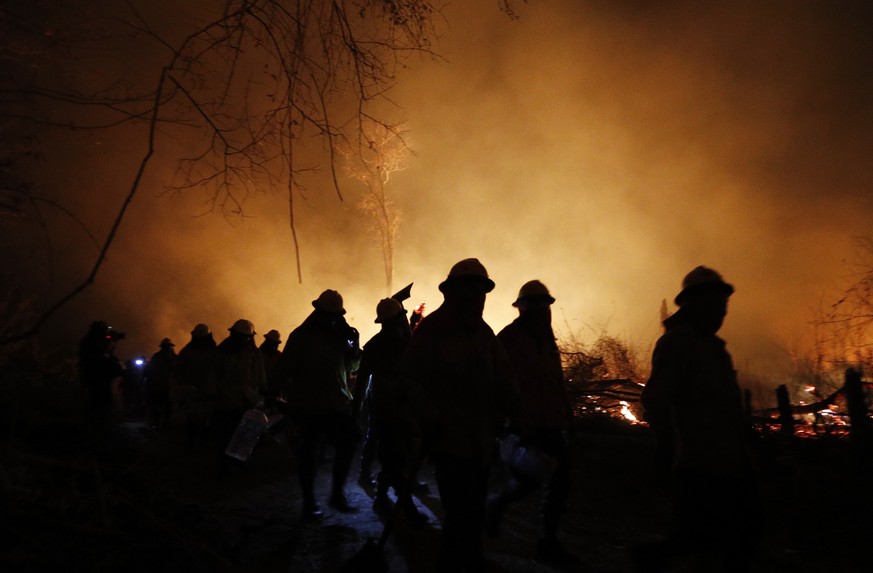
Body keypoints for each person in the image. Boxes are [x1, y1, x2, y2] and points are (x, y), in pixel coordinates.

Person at [633, 266, 759, 572]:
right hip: (696, 463)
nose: (721, 312)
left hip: (729, 462)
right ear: (692, 304)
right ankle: (648, 559)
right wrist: (668, 449)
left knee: (726, 539)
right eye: (715, 305)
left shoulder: (715, 348)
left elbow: (727, 407)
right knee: (704, 542)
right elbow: (656, 400)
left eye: (723, 305)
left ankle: (651, 558)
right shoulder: (678, 344)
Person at [399, 258, 521, 572]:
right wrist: (430, 418)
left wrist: (516, 416)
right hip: (449, 439)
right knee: (458, 509)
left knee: (474, 507)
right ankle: (454, 563)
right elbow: (410, 380)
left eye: (481, 292)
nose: (478, 298)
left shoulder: (483, 333)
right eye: (472, 290)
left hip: (480, 439)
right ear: (455, 292)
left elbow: (503, 379)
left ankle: (470, 559)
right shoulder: (433, 330)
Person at [487, 280, 578, 569]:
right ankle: (496, 504)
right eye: (535, 306)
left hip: (551, 422)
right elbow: (497, 383)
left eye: (545, 305)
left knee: (559, 481)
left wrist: (567, 416)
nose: (542, 311)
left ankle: (547, 541)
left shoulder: (547, 340)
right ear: (522, 308)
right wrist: (507, 421)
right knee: (531, 479)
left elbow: (556, 381)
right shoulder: (509, 339)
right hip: (522, 424)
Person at [274, 289, 362, 519]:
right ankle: (310, 503)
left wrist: (354, 346)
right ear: (319, 312)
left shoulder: (342, 335)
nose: (333, 319)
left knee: (350, 439)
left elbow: (353, 366)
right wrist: (275, 395)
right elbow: (285, 367)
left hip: (335, 404)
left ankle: (335, 495)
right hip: (307, 406)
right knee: (308, 455)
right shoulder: (301, 336)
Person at [352, 296, 426, 524]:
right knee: (394, 460)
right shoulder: (397, 344)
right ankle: (406, 506)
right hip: (387, 412)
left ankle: (382, 497)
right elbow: (363, 378)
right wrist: (356, 409)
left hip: (398, 410)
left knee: (396, 459)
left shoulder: (399, 343)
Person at [214, 319, 267, 472]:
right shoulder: (222, 352)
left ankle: (241, 462)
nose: (244, 340)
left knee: (247, 435)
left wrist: (262, 390)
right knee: (225, 435)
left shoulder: (254, 353)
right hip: (226, 401)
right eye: (241, 336)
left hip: (248, 401)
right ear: (233, 334)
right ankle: (223, 465)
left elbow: (260, 373)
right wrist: (213, 394)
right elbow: (214, 375)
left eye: (247, 337)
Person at [176, 323, 219, 449]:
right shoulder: (215, 352)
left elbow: (178, 372)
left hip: (196, 393)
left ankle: (193, 445)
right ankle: (201, 445)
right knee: (203, 422)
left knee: (194, 421)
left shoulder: (186, 352)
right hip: (203, 393)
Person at [77, 321, 125, 433]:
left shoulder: (89, 340)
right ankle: (98, 428)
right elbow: (106, 341)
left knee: (94, 402)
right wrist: (113, 336)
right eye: (104, 330)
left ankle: (92, 427)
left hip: (92, 377)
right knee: (100, 403)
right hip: (98, 378)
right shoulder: (95, 341)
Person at [144, 337, 177, 430]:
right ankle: (160, 424)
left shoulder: (159, 357)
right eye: (167, 346)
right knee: (161, 406)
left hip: (165, 386)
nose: (167, 348)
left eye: (168, 346)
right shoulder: (164, 357)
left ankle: (162, 424)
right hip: (161, 386)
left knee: (165, 406)